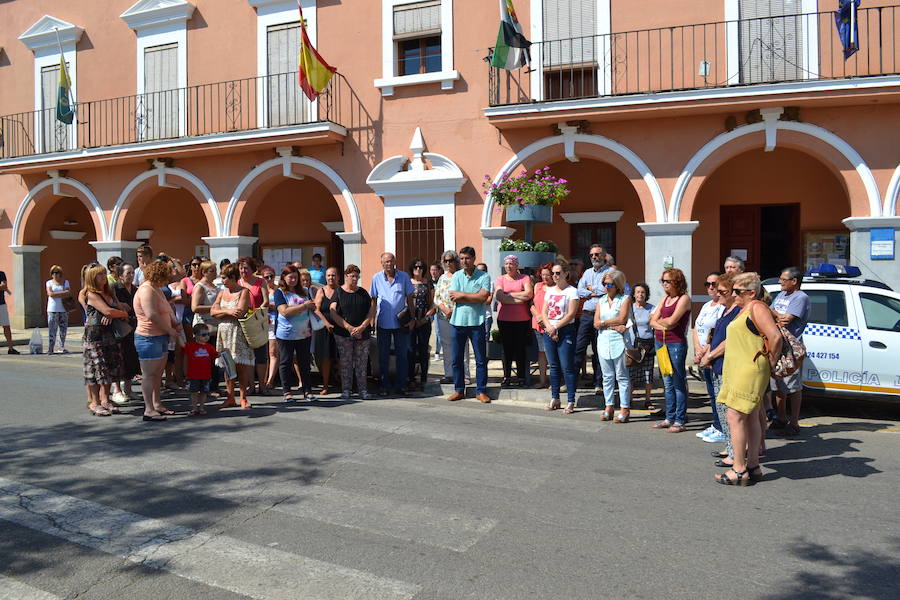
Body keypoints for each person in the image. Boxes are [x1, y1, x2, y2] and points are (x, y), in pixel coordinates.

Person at [715, 272, 782, 486]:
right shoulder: (745, 308)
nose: (733, 294)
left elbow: (775, 336)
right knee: (751, 416)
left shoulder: (756, 307)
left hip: (749, 368)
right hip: (740, 368)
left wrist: (771, 361)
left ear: (751, 292)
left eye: (737, 291)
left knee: (735, 416)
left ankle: (739, 468)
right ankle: (753, 466)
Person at [700, 273, 742, 467]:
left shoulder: (737, 312)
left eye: (723, 291)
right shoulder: (725, 310)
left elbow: (729, 341)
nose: (718, 294)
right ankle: (729, 447)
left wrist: (710, 355)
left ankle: (735, 454)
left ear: (734, 292)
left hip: (726, 365)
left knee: (728, 411)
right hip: (716, 365)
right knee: (721, 408)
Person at [133, 260, 181, 421]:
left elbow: (166, 309)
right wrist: (170, 330)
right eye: (165, 277)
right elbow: (151, 315)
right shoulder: (147, 289)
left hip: (160, 337)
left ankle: (157, 404)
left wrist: (173, 323)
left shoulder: (156, 289)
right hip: (148, 337)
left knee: (158, 374)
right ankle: (148, 409)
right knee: (149, 374)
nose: (167, 281)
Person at [81, 264, 129, 417]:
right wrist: (119, 313)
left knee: (111, 368)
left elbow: (119, 308)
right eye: (99, 274)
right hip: (95, 336)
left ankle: (105, 399)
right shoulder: (91, 294)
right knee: (96, 369)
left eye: (103, 273)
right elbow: (108, 310)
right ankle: (94, 402)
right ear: (91, 278)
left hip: (110, 335)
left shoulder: (109, 291)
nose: (103, 276)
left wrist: (117, 313)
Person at [769, 266, 810, 436]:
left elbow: (785, 320)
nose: (780, 282)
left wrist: (773, 313)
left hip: (791, 347)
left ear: (794, 281)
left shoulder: (801, 297)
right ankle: (781, 417)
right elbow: (772, 314)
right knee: (778, 383)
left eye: (783, 280)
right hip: (777, 344)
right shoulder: (780, 295)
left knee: (793, 386)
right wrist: (774, 313)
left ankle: (794, 421)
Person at [649, 268, 691, 432]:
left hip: (676, 344)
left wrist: (661, 323)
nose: (664, 284)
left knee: (678, 382)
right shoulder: (665, 298)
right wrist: (662, 324)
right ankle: (669, 417)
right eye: (663, 281)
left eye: (668, 281)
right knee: (667, 382)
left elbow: (673, 322)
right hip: (661, 343)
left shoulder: (684, 299)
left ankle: (680, 419)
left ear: (677, 282)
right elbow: (653, 320)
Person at [448, 246, 491, 403]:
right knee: (457, 358)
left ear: (473, 258)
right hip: (458, 322)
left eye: (467, 258)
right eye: (461, 258)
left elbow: (483, 297)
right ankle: (459, 390)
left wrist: (463, 295)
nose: (464, 261)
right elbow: (454, 296)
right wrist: (472, 296)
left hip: (477, 322)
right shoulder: (457, 276)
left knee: (480, 359)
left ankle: (481, 391)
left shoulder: (484, 276)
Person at [370, 252, 414, 395]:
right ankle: (384, 385)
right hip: (383, 323)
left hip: (401, 323)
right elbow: (374, 300)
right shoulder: (376, 278)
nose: (389, 264)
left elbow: (409, 298)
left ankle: (401, 385)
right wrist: (371, 318)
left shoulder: (404, 277)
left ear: (395, 261)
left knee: (402, 355)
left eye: (391, 261)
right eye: (386, 262)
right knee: (383, 355)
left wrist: (412, 318)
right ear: (382, 263)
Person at [330, 264, 376, 400]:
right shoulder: (338, 292)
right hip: (343, 334)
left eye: (357, 276)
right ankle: (346, 390)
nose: (355, 279)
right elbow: (333, 312)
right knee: (346, 363)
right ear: (346, 276)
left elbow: (371, 310)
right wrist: (349, 327)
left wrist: (362, 326)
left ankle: (363, 390)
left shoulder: (363, 292)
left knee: (362, 363)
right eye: (352, 276)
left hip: (362, 334)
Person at [212, 263, 254, 409]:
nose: (222, 281)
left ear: (233, 278)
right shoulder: (222, 293)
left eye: (224, 278)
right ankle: (230, 397)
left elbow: (240, 312)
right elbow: (212, 311)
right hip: (223, 332)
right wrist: (229, 312)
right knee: (227, 365)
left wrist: (221, 312)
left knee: (240, 366)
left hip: (238, 332)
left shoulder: (244, 292)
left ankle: (243, 397)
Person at [594, 268, 633, 422]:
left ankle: (624, 408)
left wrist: (604, 323)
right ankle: (608, 406)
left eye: (609, 284)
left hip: (619, 341)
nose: (606, 287)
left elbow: (622, 319)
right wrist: (608, 324)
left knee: (622, 376)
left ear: (617, 285)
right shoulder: (601, 300)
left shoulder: (624, 299)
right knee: (607, 377)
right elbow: (595, 323)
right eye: (604, 284)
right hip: (603, 340)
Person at [540, 263, 580, 413]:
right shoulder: (549, 291)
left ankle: (570, 400)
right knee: (554, 366)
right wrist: (549, 327)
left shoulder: (572, 292)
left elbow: (571, 314)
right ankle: (555, 397)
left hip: (565, 330)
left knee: (567, 367)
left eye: (558, 273)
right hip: (549, 331)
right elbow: (544, 312)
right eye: (553, 273)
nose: (555, 276)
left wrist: (556, 327)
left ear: (565, 274)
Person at [273, 264, 316, 402]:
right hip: (286, 334)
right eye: (290, 277)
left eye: (295, 277)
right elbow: (284, 311)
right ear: (284, 278)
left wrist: (311, 305)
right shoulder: (280, 292)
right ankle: (287, 392)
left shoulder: (304, 290)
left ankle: (308, 391)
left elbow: (312, 307)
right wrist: (304, 306)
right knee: (286, 362)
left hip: (304, 333)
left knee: (304, 363)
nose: (293, 280)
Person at [694, 272, 725, 443]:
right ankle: (716, 424)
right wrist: (698, 348)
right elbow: (697, 327)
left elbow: (717, 334)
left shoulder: (723, 307)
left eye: (714, 284)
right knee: (711, 394)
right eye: (708, 284)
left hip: (713, 355)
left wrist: (705, 350)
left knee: (718, 394)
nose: (711, 287)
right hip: (703, 354)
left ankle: (722, 427)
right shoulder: (707, 306)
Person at [494, 255, 534, 388]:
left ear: (517, 265)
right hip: (504, 319)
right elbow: (499, 296)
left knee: (520, 348)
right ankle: (507, 376)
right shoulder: (500, 279)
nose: (508, 266)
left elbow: (529, 294)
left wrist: (508, 296)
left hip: (522, 319)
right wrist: (519, 297)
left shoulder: (525, 278)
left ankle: (521, 376)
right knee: (507, 348)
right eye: (506, 264)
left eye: (511, 264)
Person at [576, 244, 610, 392]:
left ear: (604, 256)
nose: (594, 257)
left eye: (597, 254)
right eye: (592, 255)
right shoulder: (587, 273)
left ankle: (599, 383)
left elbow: (607, 289)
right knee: (579, 349)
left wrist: (591, 289)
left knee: (599, 351)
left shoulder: (611, 272)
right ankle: (572, 382)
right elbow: (579, 290)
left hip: (602, 317)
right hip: (586, 316)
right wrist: (593, 292)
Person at [434, 251, 469, 385]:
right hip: (443, 317)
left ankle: (464, 374)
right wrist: (444, 309)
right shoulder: (442, 277)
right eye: (446, 261)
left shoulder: (462, 276)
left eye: (451, 260)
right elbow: (437, 297)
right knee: (447, 346)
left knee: (462, 345)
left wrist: (453, 310)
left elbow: (465, 295)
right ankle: (449, 374)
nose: (448, 263)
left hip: (459, 315)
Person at [237, 257, 269, 395]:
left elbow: (266, 301)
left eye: (246, 268)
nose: (243, 271)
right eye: (241, 268)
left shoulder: (260, 281)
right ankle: (251, 386)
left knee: (261, 356)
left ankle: (262, 385)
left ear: (252, 269)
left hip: (257, 322)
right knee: (248, 356)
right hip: (243, 323)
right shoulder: (237, 283)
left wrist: (255, 313)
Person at [191, 260, 221, 394]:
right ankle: (205, 387)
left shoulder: (215, 286)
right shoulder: (200, 287)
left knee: (214, 357)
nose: (215, 273)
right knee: (205, 358)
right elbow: (195, 307)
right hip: (204, 326)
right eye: (212, 270)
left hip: (216, 325)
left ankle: (214, 385)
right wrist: (215, 308)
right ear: (204, 272)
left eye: (215, 270)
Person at [111, 263, 140, 403]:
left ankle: (128, 390)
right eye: (128, 273)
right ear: (120, 275)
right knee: (118, 358)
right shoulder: (115, 288)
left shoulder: (135, 289)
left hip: (133, 326)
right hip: (120, 327)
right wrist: (121, 308)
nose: (131, 275)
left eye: (133, 272)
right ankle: (116, 390)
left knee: (130, 357)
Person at [627, 282, 656, 409]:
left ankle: (648, 400)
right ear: (633, 294)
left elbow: (655, 326)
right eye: (638, 292)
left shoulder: (652, 308)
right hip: (633, 346)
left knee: (648, 374)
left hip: (647, 346)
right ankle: (629, 399)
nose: (640, 294)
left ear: (646, 294)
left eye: (643, 292)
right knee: (631, 374)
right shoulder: (629, 308)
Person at [407, 259, 435, 391]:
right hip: (411, 320)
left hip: (424, 320)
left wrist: (425, 318)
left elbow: (432, 303)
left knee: (423, 350)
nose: (418, 269)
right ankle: (411, 378)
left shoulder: (428, 284)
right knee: (410, 350)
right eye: (415, 267)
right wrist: (411, 319)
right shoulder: (407, 283)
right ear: (412, 269)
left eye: (421, 267)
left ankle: (423, 377)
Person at [313, 266, 340, 394]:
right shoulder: (321, 291)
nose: (331, 278)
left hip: (340, 328)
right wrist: (326, 323)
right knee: (325, 358)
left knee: (341, 357)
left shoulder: (342, 290)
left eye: (333, 275)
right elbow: (316, 309)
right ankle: (325, 385)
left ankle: (343, 384)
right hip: (324, 328)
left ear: (338, 277)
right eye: (329, 275)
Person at [183, 323, 218, 416]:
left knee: (204, 392)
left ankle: (201, 407)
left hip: (206, 374)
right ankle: (194, 408)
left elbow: (216, 355)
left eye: (207, 334)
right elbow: (185, 357)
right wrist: (185, 371)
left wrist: (223, 352)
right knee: (193, 392)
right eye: (203, 335)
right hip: (193, 374)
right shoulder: (190, 346)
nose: (206, 337)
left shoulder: (209, 347)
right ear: (195, 335)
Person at [529, 262, 554, 389]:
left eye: (547, 275)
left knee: (552, 353)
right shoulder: (538, 286)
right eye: (543, 275)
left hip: (551, 324)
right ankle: (542, 380)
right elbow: (531, 304)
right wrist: (538, 316)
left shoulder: (556, 288)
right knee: (541, 353)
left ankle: (554, 381)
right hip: (538, 323)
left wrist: (546, 320)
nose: (544, 277)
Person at [259, 264, 281, 393]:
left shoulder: (278, 290)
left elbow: (283, 305)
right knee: (263, 354)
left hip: (274, 322)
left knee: (273, 352)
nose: (269, 279)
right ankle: (262, 379)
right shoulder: (261, 289)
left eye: (271, 276)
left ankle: (270, 381)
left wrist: (271, 305)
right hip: (262, 323)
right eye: (266, 277)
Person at [45, 265, 72, 354]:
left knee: (63, 330)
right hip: (52, 309)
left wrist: (56, 294)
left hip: (63, 309)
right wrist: (62, 293)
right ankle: (51, 348)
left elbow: (68, 293)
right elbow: (50, 294)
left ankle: (61, 347)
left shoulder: (65, 282)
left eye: (57, 272)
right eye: (53, 273)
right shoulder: (49, 283)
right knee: (52, 329)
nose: (55, 275)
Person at [0, 268, 18, 354]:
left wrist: (2, 287)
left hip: (1, 304)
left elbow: (4, 286)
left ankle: (11, 348)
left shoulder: (1, 274)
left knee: (6, 326)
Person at [429, 262, 444, 359]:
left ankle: (437, 352)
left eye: (435, 270)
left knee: (438, 331)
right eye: (432, 270)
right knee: (426, 329)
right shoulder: (428, 282)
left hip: (439, 309)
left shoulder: (442, 281)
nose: (433, 272)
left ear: (439, 271)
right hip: (430, 309)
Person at [476, 262, 494, 338]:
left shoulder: (490, 283)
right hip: (475, 316)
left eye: (483, 270)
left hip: (486, 316)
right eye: (479, 270)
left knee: (485, 338)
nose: (481, 272)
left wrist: (473, 299)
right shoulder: (473, 283)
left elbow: (488, 301)